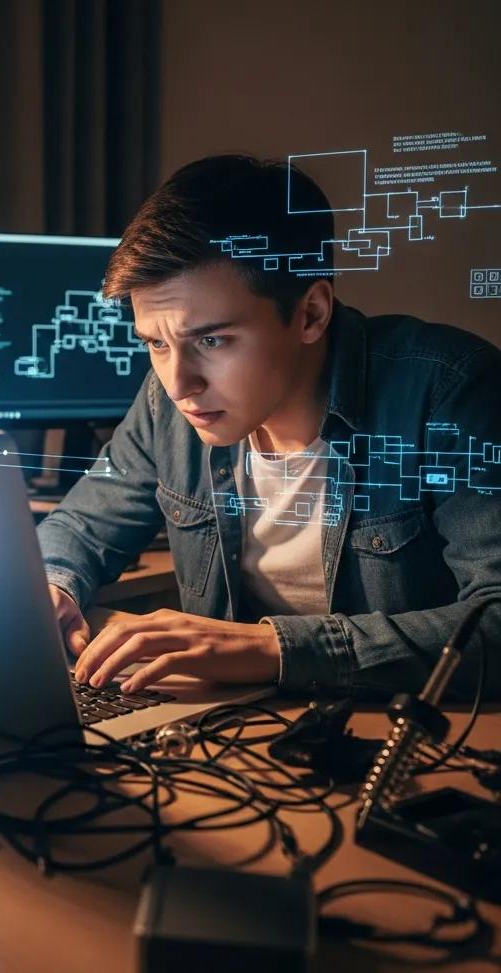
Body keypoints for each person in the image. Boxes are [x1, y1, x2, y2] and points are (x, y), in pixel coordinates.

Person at [37, 154, 501, 700]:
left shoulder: (450, 392)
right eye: (157, 343)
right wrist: (52, 586)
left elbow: (494, 620)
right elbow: (82, 525)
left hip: (399, 731)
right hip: (239, 728)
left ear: (311, 314)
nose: (179, 383)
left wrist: (272, 649)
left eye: (212, 340)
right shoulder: (167, 403)